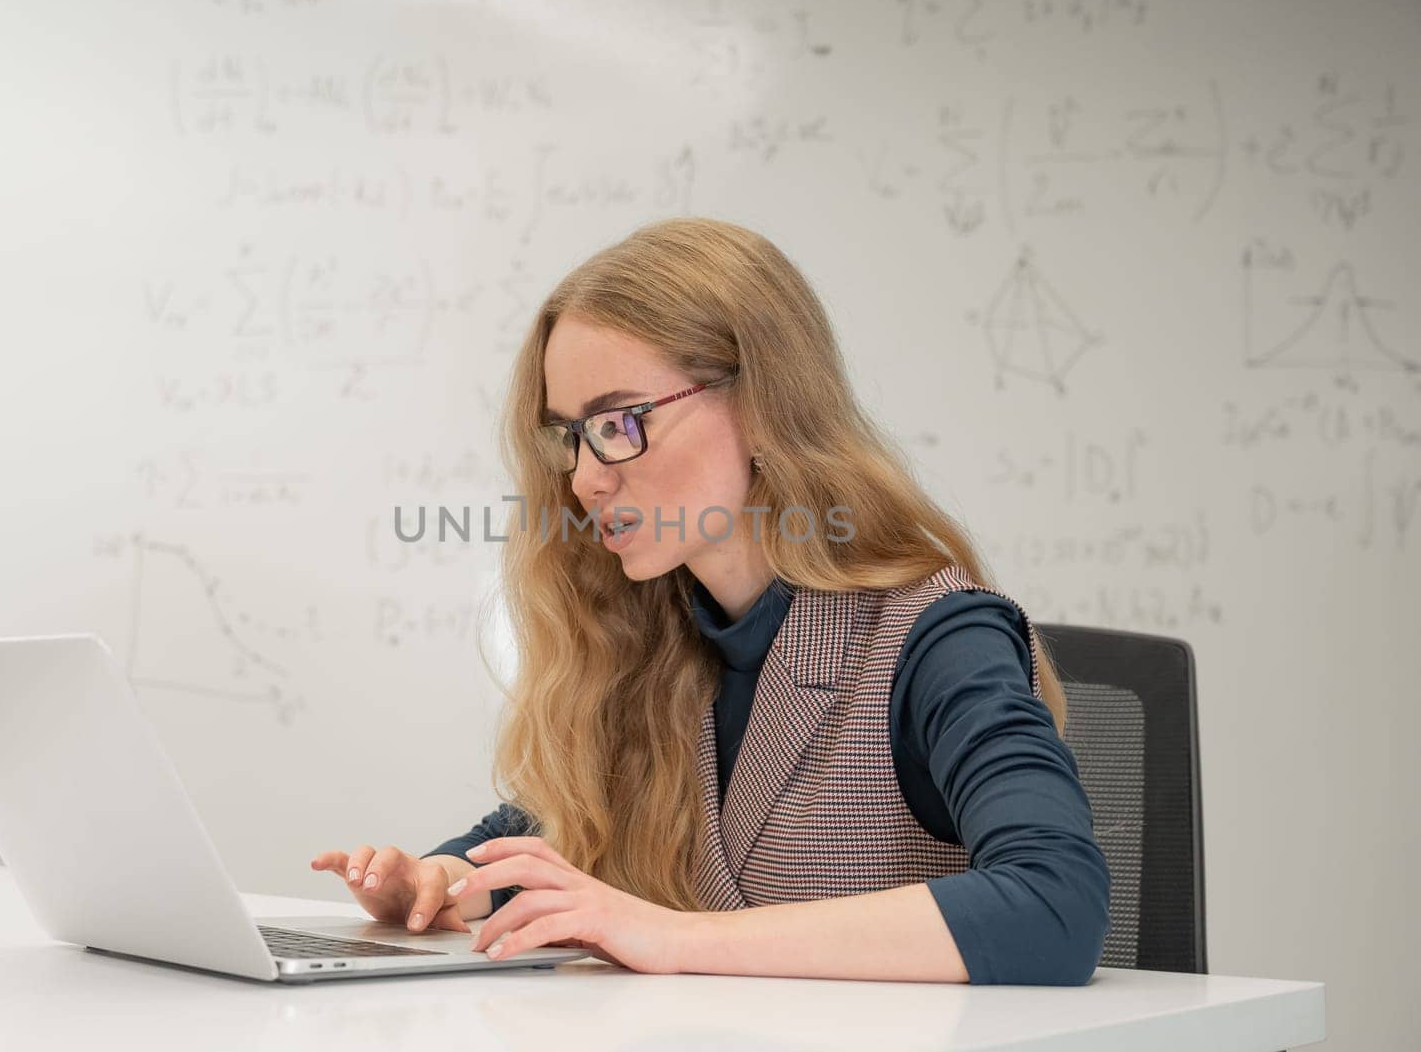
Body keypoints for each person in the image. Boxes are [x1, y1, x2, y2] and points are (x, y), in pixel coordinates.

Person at [310, 216, 1110, 983]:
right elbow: (540, 832)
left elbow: (1055, 904)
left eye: (620, 422)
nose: (586, 477)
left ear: (760, 406)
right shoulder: (653, 628)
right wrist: (437, 881)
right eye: (569, 436)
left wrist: (672, 935)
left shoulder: (938, 636)